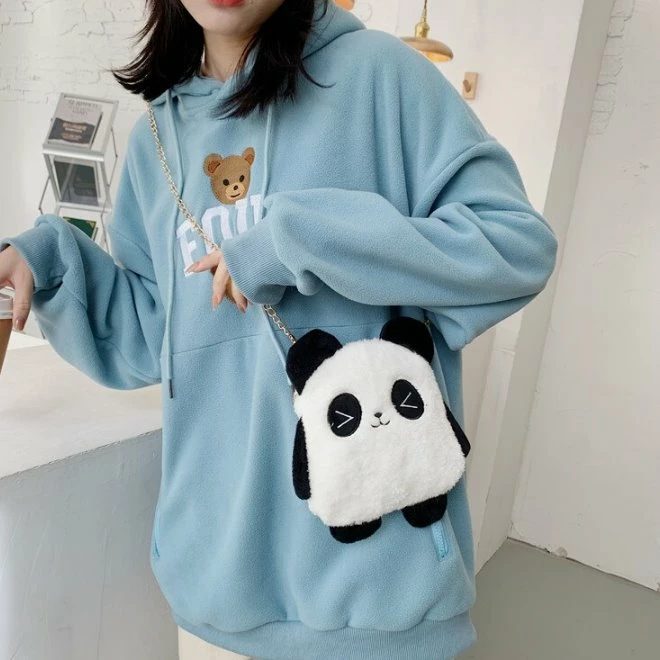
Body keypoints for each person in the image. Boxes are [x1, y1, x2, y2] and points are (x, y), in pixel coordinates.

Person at [0, 0, 559, 658]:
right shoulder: (157, 139)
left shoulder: (382, 77)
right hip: (215, 599)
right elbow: (154, 338)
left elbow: (514, 246)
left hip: (377, 602)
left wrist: (300, 239)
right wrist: (52, 262)